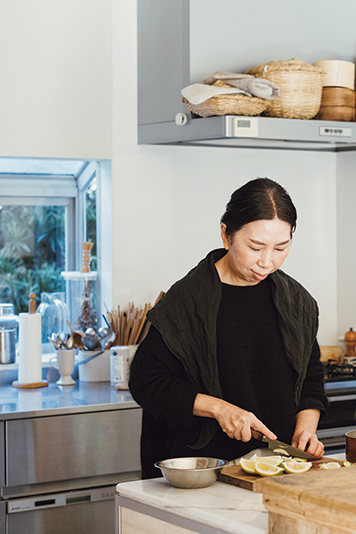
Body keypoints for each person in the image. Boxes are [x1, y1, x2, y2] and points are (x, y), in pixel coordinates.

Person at [129, 177, 328, 479]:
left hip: (278, 467)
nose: (267, 261)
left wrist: (305, 431)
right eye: (255, 247)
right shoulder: (187, 302)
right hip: (202, 471)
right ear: (226, 235)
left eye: (281, 248)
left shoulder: (296, 301)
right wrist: (219, 409)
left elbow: (310, 377)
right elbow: (147, 383)